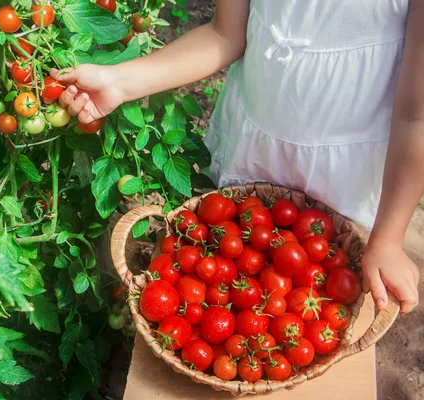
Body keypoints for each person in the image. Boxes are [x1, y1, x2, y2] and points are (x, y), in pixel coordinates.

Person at [51, 0, 421, 314]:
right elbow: (224, 34)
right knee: (231, 282)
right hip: (253, 150)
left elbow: (415, 115)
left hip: (342, 174)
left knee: (325, 298)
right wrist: (119, 82)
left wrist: (387, 239)